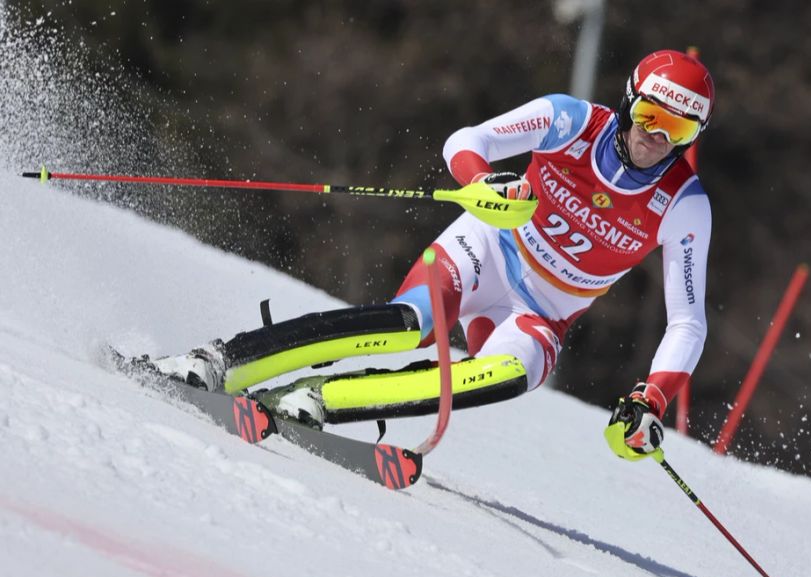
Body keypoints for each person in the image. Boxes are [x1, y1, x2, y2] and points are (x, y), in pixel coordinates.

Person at [144, 49, 714, 461]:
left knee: (514, 373)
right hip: (487, 249)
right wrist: (482, 183)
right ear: (629, 102)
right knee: (407, 326)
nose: (656, 137)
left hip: (542, 312)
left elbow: (687, 321)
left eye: (678, 128)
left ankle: (321, 399)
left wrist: (652, 395)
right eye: (649, 117)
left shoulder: (683, 205)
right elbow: (466, 141)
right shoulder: (570, 121)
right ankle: (221, 360)